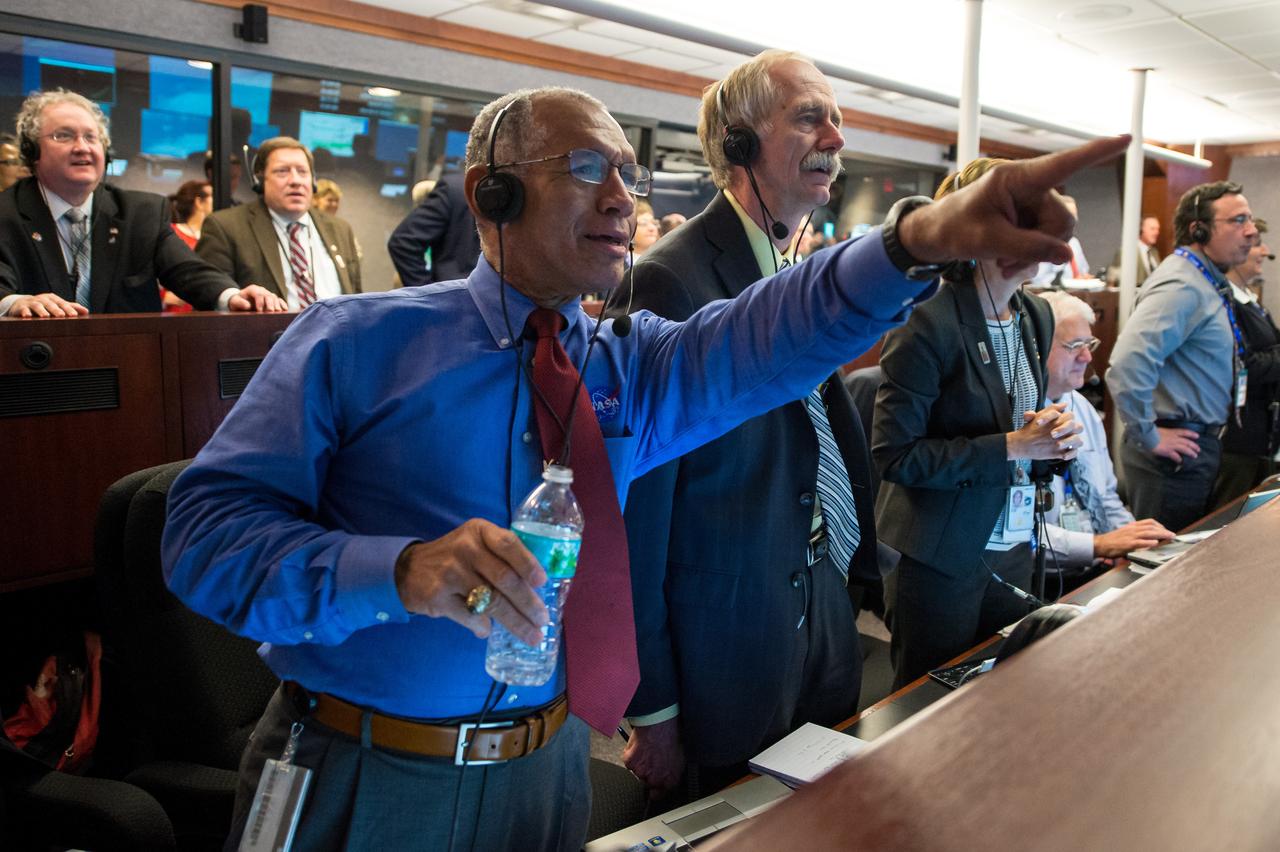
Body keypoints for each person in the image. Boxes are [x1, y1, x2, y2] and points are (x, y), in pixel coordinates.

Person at [162, 83, 1124, 850]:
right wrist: (399, 570)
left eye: (629, 173)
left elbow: (763, 332)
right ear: (489, 193)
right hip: (369, 775)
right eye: (588, 170)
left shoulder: (622, 363)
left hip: (549, 775)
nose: (627, 200)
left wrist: (917, 240)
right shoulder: (355, 341)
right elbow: (203, 535)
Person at [604, 49, 879, 803]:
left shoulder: (796, 275)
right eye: (810, 116)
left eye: (837, 118)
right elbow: (635, 518)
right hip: (720, 653)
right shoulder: (669, 278)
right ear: (738, 143)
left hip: (819, 619)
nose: (836, 137)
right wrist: (652, 707)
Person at [874, 157, 1084, 690]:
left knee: (1005, 696)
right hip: (942, 555)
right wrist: (1013, 445)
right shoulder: (927, 318)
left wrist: (1053, 436)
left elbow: (1021, 415)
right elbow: (894, 455)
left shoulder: (1035, 313)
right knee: (926, 713)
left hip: (1014, 545)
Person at [0, 89, 284, 318]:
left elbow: (188, 271)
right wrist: (13, 303)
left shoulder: (141, 213)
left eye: (91, 137)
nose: (82, 147)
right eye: (64, 135)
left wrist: (232, 296)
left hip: (129, 369)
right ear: (32, 151)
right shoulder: (6, 214)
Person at [1108, 181, 1259, 531]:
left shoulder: (1203, 280)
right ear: (1199, 229)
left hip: (1193, 447)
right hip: (1173, 454)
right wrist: (1149, 435)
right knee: (1163, 572)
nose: (1251, 231)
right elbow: (1128, 362)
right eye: (1238, 220)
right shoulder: (1181, 284)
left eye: (1250, 219)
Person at [1035, 290, 1173, 574]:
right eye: (1074, 345)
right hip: (1038, 581)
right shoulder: (1014, 420)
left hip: (1094, 568)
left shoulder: (1082, 408)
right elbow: (1018, 540)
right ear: (1034, 348)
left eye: (1089, 344)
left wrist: (1136, 541)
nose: (1086, 357)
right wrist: (1099, 544)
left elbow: (1106, 497)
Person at [197, 136, 362, 308]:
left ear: (312, 181)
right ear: (260, 181)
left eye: (302, 171)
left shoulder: (340, 229)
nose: (295, 181)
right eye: (282, 171)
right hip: (266, 334)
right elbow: (208, 298)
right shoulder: (225, 227)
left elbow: (357, 298)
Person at [1212, 217, 1280, 506]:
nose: (1264, 252)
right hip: (1237, 439)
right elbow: (1243, 364)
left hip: (1258, 437)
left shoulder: (1249, 301)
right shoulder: (1225, 302)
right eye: (1256, 244)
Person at [386, 171, 480, 286]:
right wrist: (428, 294)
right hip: (453, 295)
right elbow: (404, 241)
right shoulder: (457, 190)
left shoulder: (456, 188)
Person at [163, 179, 215, 312]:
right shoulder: (172, 232)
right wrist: (163, 296)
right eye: (212, 196)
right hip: (176, 314)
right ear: (199, 202)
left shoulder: (216, 236)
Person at [1029, 195, 1092, 285]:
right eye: (1070, 215)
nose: (1074, 220)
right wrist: (1069, 282)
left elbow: (1082, 272)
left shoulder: (1074, 243)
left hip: (1077, 292)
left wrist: (1085, 278)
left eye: (1075, 214)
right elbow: (1038, 279)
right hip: (1052, 295)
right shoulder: (1043, 244)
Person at [1109, 214, 1161, 286]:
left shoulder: (1154, 252)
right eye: (1152, 229)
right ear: (1141, 229)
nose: (1157, 232)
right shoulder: (1126, 252)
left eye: (1158, 229)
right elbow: (1112, 281)